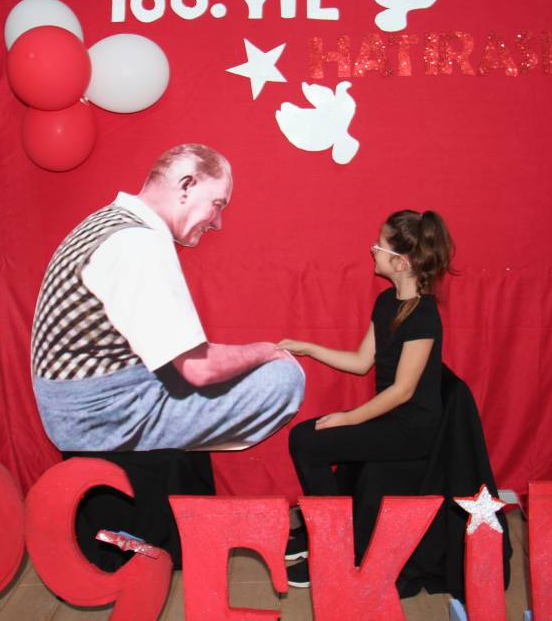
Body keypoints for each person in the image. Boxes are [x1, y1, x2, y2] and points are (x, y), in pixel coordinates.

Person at [30, 143, 304, 452]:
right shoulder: (138, 243)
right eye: (217, 204)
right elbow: (200, 368)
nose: (218, 222)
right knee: (283, 377)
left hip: (77, 404)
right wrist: (267, 350)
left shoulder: (106, 221)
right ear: (186, 185)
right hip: (99, 417)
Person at [277, 209, 453, 587]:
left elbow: (403, 391)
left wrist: (349, 418)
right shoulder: (387, 302)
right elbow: (361, 362)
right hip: (391, 418)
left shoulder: (424, 316)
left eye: (379, 245)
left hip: (414, 429)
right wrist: (308, 348)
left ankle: (332, 550)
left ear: (400, 262)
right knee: (305, 437)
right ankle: (324, 532)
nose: (372, 249)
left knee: (308, 442)